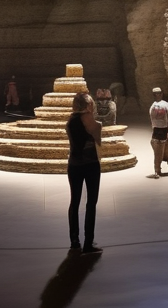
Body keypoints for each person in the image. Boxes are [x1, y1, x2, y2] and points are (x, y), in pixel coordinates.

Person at [66, 91, 102, 253]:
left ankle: (74, 240)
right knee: (91, 203)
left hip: (74, 164)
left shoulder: (70, 122)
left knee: (74, 202)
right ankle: (88, 242)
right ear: (88, 105)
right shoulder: (95, 123)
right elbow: (98, 143)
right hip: (91, 165)